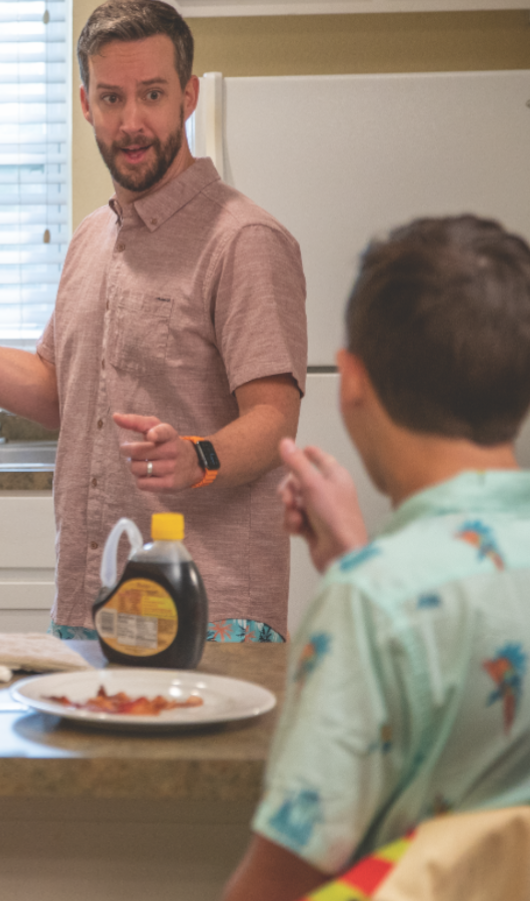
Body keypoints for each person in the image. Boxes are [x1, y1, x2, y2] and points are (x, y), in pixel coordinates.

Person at [0, 0, 307, 641]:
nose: (133, 122)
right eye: (113, 99)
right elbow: (56, 389)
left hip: (209, 609)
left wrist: (199, 454)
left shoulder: (244, 239)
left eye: (152, 94)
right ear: (85, 104)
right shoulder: (92, 238)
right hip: (92, 600)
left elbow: (275, 419)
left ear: (189, 97)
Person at [222, 215, 530, 901]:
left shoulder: (372, 604)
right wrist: (358, 557)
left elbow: (282, 882)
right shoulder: (375, 587)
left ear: (351, 379)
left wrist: (366, 579)